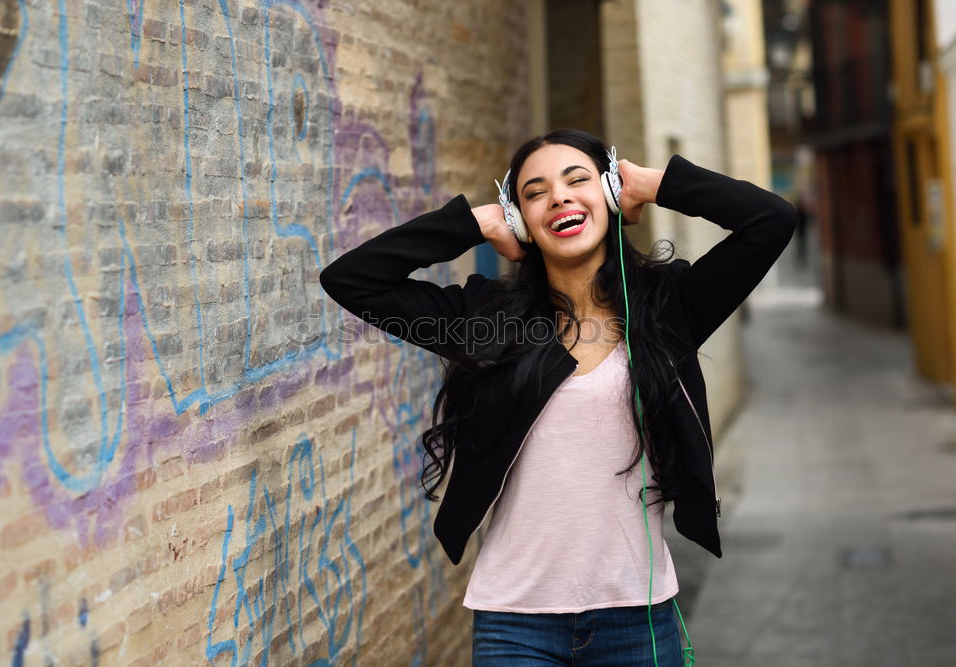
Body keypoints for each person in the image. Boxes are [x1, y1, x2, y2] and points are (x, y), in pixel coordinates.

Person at [320, 129, 796, 666]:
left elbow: (772, 221)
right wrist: (474, 224)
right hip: (515, 622)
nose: (560, 198)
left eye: (578, 181)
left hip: (637, 616)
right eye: (535, 192)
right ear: (521, 218)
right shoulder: (484, 321)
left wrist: (653, 183)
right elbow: (350, 280)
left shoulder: (669, 309)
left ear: (611, 194)